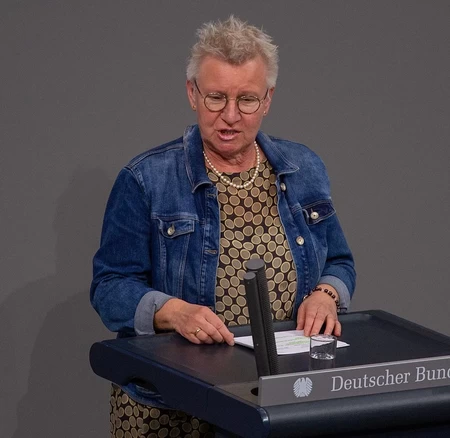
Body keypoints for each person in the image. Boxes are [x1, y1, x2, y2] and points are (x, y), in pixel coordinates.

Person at [91, 15, 356, 438]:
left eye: (246, 99)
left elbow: (339, 262)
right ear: (192, 93)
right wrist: (172, 312)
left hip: (276, 400)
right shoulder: (146, 179)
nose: (230, 115)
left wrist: (327, 295)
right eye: (216, 98)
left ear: (267, 100)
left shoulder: (303, 169)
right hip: (172, 409)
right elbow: (109, 288)